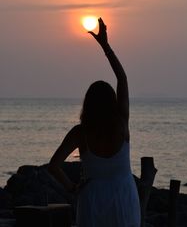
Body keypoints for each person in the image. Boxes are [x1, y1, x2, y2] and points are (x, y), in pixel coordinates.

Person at [48, 18, 141, 227]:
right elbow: (122, 79)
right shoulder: (121, 124)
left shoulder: (81, 133)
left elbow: (53, 166)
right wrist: (105, 46)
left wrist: (71, 188)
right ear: (112, 102)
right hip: (124, 195)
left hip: (92, 197)